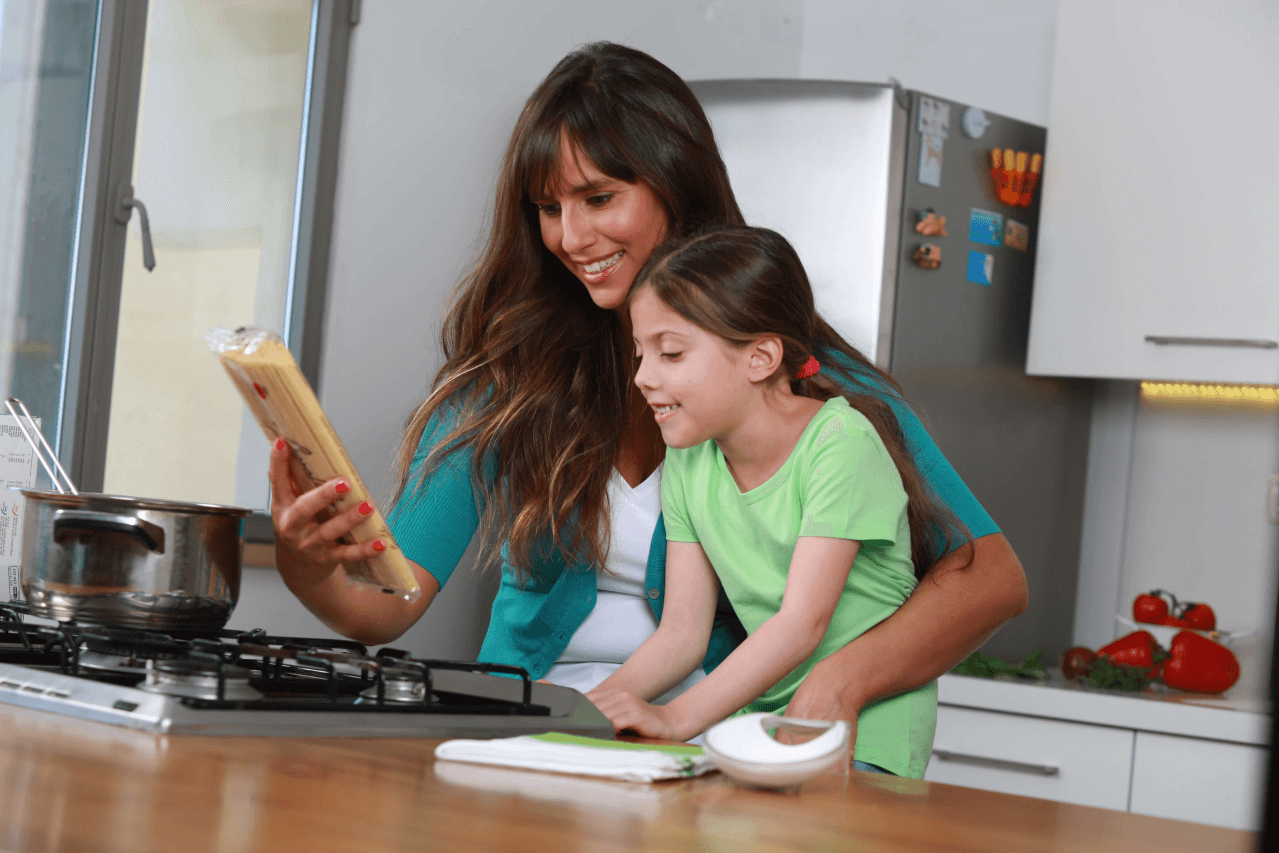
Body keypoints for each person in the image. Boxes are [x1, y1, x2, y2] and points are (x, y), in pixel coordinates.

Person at [268, 41, 1028, 761]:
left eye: (599, 197)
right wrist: (307, 567)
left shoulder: (809, 385)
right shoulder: (504, 386)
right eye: (547, 206)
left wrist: (843, 679)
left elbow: (989, 577)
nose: (570, 236)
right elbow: (382, 608)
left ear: (676, 184)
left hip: (725, 742)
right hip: (544, 730)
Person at [587, 225, 951, 777]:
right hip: (764, 723)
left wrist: (673, 719)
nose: (643, 376)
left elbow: (801, 622)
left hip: (867, 731)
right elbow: (682, 634)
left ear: (760, 358)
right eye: (640, 353)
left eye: (671, 354)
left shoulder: (840, 446)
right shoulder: (690, 456)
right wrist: (587, 717)